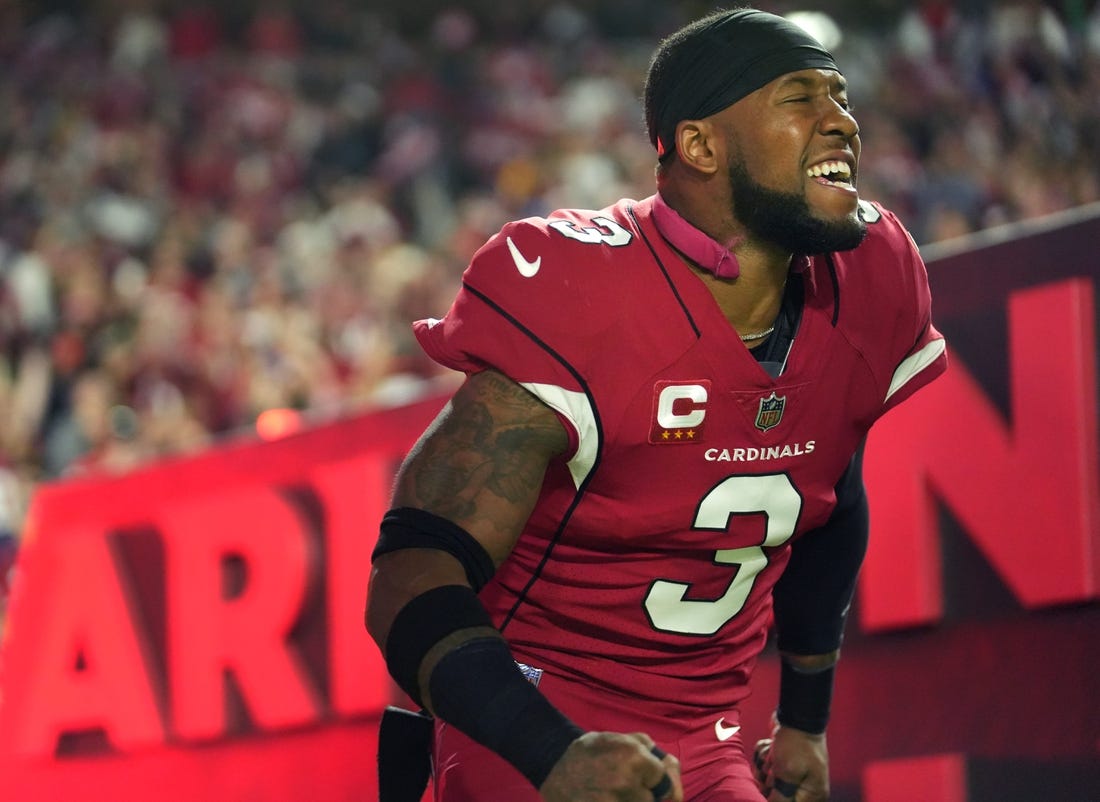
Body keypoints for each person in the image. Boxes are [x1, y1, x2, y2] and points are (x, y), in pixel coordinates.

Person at [365, 8, 948, 802]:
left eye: (840, 97)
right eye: (799, 98)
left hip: (707, 731)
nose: (842, 122)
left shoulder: (873, 275)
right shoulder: (585, 294)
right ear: (701, 144)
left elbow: (830, 494)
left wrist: (806, 720)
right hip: (535, 713)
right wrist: (553, 752)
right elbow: (410, 569)